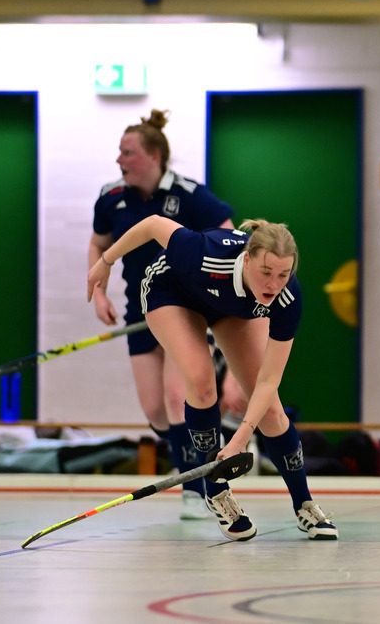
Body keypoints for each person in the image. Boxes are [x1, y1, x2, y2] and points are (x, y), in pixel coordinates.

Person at [87, 215, 338, 541]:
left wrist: (240, 438)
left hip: (229, 307)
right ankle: (216, 491)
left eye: (282, 275)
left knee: (272, 412)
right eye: (265, 272)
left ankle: (304, 505)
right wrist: (105, 261)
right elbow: (152, 224)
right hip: (172, 292)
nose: (273, 285)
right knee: (202, 383)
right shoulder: (201, 251)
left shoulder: (286, 296)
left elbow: (267, 380)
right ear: (247, 260)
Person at [88, 108, 239, 520]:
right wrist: (99, 293)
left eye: (128, 152)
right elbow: (99, 244)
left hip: (185, 310)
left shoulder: (190, 195)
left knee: (178, 396)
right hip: (139, 311)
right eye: (120, 152)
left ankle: (195, 485)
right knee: (155, 410)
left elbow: (229, 238)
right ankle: (203, 438)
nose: (120, 160)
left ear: (154, 156)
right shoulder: (111, 197)